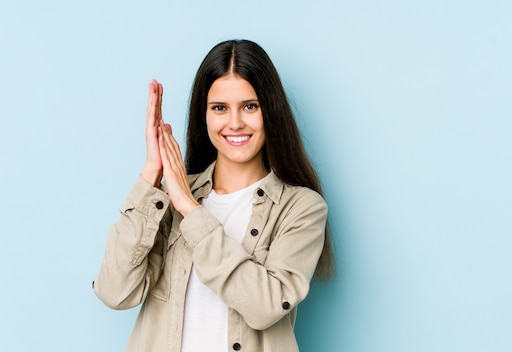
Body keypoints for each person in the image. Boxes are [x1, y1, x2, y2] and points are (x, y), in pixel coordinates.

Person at [93, 39, 334, 352]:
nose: (235, 123)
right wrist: (152, 175)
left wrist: (192, 213)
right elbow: (115, 292)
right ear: (203, 114)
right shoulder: (165, 201)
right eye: (219, 108)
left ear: (270, 111)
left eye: (250, 106)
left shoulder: (301, 208)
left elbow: (265, 306)